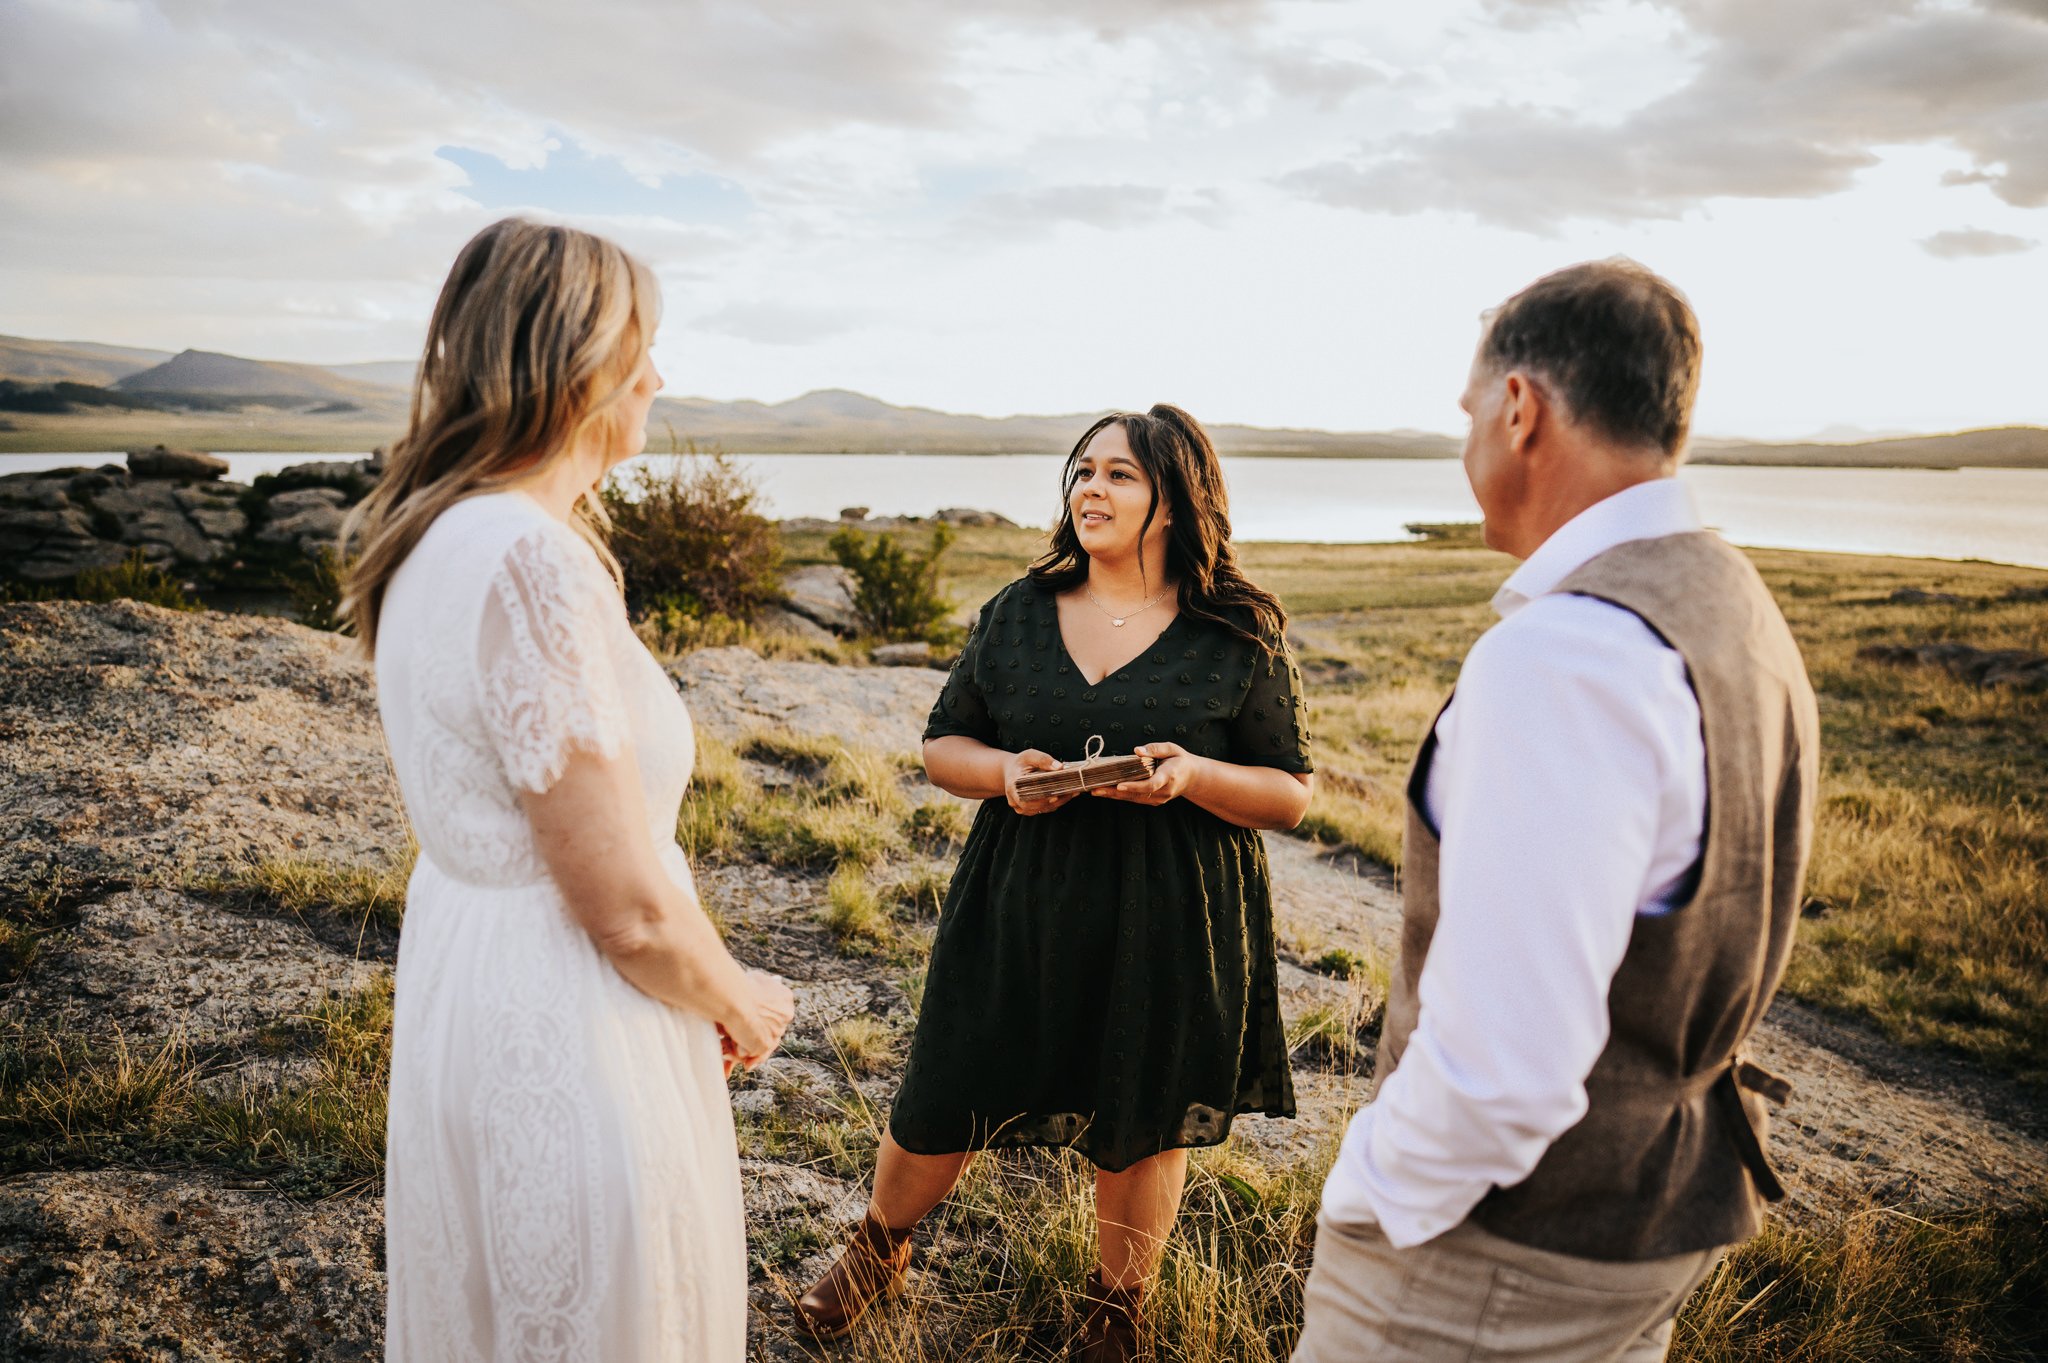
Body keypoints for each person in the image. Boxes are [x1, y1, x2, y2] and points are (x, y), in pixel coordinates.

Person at [1293, 259, 1820, 1362]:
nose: (1466, 439)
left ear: (1519, 408)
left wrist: (1368, 1193)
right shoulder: (1726, 598)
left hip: (1492, 1256)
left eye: (1468, 410)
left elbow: (1506, 1066)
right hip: (1651, 1213)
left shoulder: (1564, 655)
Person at [340, 217, 795, 1362]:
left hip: (466, 990)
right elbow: (624, 908)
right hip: (564, 1019)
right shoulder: (529, 556)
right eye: (640, 344)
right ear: (579, 361)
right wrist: (737, 999)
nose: (656, 375)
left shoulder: (431, 533)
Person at [793, 405, 1317, 1361]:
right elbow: (941, 743)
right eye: (1083, 471)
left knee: (1142, 1111)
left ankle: (1118, 1309)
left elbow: (1288, 793)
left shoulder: (1238, 630)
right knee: (949, 1076)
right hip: (1020, 893)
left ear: (1175, 498)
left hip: (1169, 908)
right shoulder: (1019, 612)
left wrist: (1193, 776)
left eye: (1119, 474)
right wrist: (1003, 773)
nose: (1091, 489)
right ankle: (879, 1245)